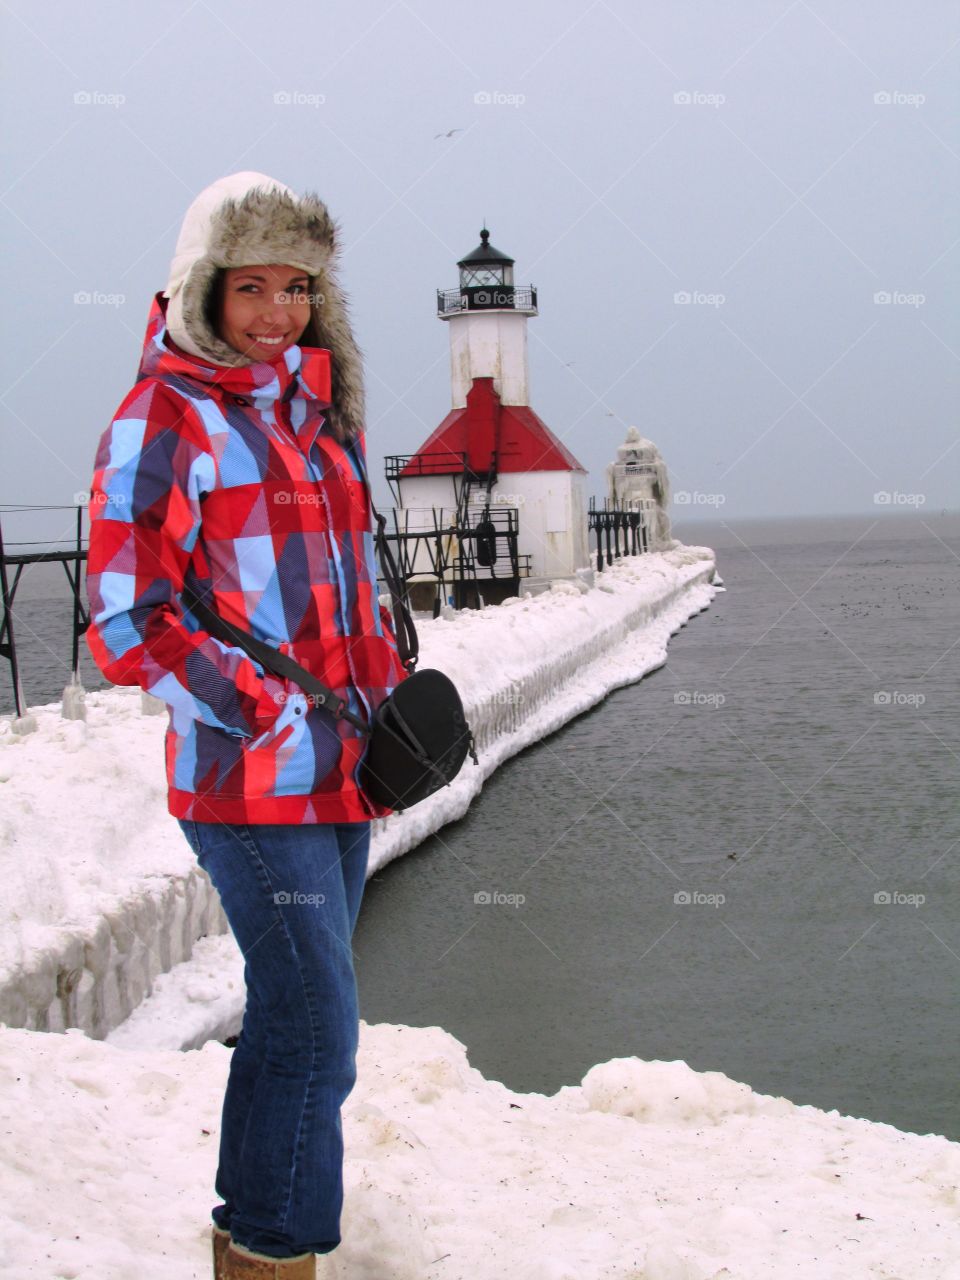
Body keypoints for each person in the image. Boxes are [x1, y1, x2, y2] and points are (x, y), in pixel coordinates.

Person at [85, 171, 408, 1280]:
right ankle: (279, 1249)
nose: (278, 312)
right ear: (203, 289)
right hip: (247, 780)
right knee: (322, 1026)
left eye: (299, 286)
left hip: (349, 772)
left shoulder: (322, 416)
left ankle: (244, 1231)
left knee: (289, 1017)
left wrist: (391, 685)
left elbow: (350, 584)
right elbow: (128, 618)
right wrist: (262, 710)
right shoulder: (160, 419)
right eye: (253, 285)